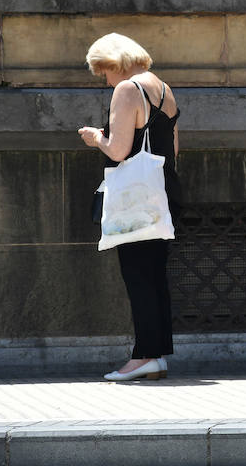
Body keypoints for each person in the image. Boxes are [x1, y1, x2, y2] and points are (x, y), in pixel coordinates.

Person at [78, 33, 182, 382]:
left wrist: (97, 138)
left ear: (115, 62)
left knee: (138, 277)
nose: (106, 80)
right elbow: (173, 149)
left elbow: (119, 150)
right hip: (163, 192)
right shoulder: (165, 90)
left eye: (104, 71)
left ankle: (144, 358)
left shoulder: (127, 90)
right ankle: (155, 355)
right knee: (154, 277)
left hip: (136, 199)